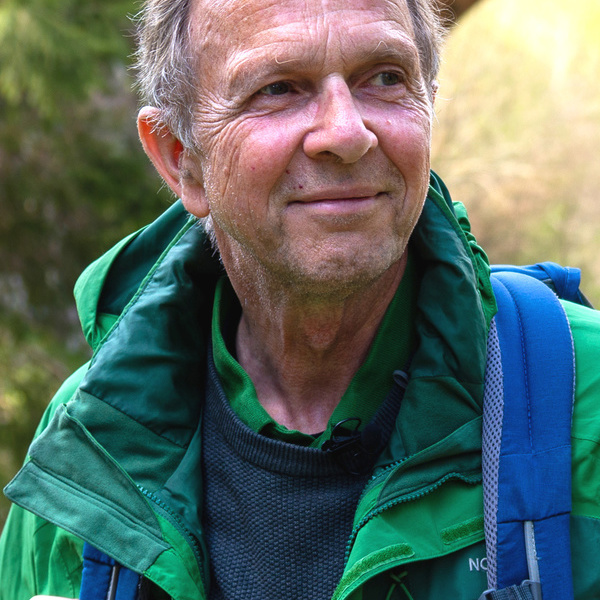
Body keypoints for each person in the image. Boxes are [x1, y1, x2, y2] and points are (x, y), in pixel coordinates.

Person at [1, 0, 600, 598]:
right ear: (181, 160)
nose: (346, 133)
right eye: (279, 88)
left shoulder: (579, 401)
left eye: (386, 78)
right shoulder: (92, 446)